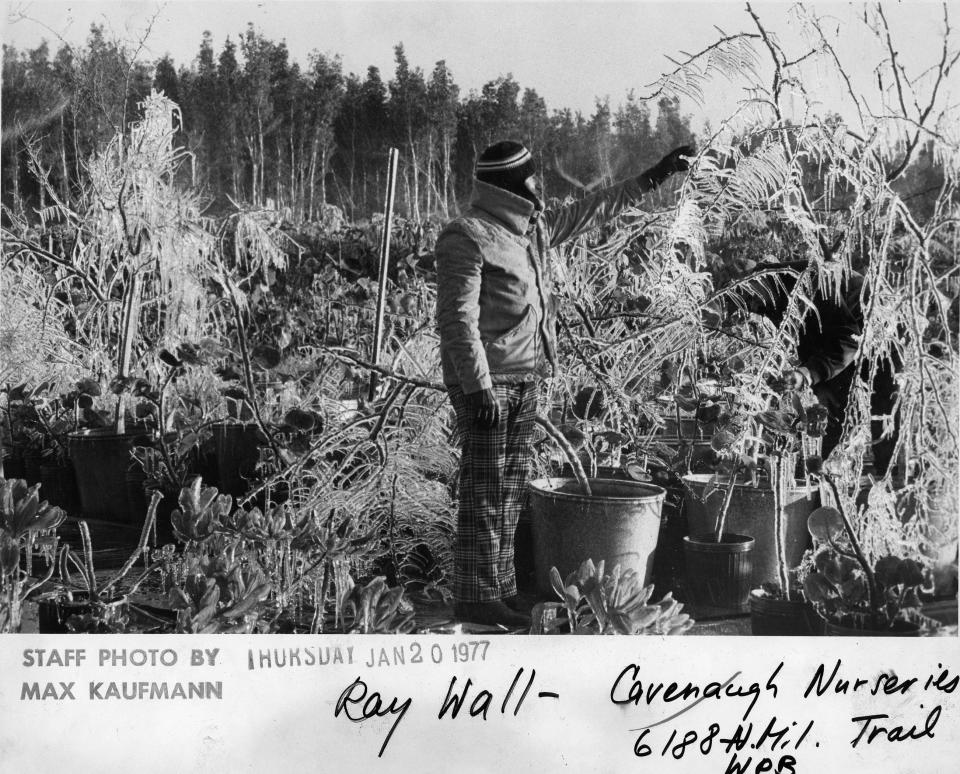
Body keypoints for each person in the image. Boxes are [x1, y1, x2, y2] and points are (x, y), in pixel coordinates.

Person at [435, 139, 695, 627]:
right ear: (512, 184)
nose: (540, 186)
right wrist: (478, 387)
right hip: (489, 383)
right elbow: (456, 322)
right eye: (532, 178)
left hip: (526, 375)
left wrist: (654, 176)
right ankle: (473, 596)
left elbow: (595, 209)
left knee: (508, 489)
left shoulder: (528, 232)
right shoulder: (467, 235)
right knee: (483, 490)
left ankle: (498, 591)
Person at [754, 261, 898, 474]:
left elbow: (847, 341)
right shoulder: (772, 295)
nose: (753, 308)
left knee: (883, 416)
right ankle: (824, 476)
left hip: (881, 342)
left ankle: (887, 484)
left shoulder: (810, 286)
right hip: (845, 341)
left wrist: (807, 375)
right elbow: (808, 342)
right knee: (827, 417)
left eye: (750, 301)